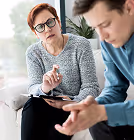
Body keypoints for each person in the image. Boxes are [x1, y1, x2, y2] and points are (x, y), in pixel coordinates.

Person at [55, 0, 134, 140]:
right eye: (95, 28)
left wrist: (103, 112)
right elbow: (115, 88)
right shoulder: (108, 42)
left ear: (129, 7)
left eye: (105, 24)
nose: (102, 37)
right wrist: (93, 107)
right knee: (97, 120)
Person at [21, 3, 100, 140]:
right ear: (36, 33)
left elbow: (91, 87)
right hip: (46, 105)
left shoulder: (81, 45)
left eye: (50, 22)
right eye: (40, 27)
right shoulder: (33, 52)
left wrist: (71, 102)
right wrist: (45, 87)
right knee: (31, 104)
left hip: (70, 105)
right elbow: (33, 87)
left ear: (58, 22)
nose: (47, 29)